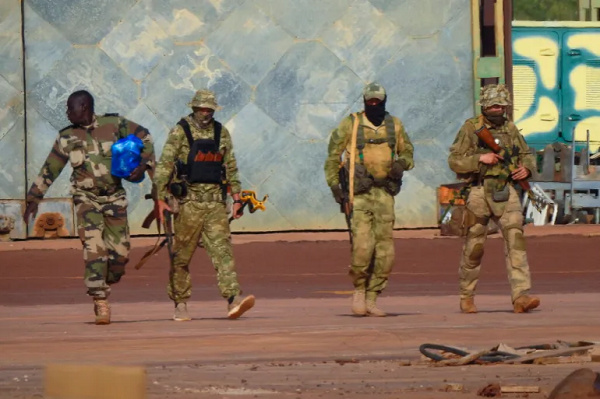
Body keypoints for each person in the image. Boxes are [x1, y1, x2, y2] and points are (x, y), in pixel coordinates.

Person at [23, 90, 155, 325]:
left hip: (115, 198)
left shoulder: (114, 124)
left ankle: (107, 279)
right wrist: (34, 197)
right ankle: (99, 300)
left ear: (83, 107)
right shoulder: (67, 137)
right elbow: (50, 169)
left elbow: (145, 137)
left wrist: (144, 164)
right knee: (94, 248)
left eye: (69, 108)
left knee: (120, 255)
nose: (67, 113)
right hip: (86, 199)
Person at [153, 89, 255, 321]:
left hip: (215, 204)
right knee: (181, 256)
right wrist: (160, 199)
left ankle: (233, 299)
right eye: (201, 109)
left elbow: (230, 166)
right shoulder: (180, 131)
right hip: (189, 204)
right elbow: (165, 165)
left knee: (223, 252)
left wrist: (238, 199)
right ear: (194, 108)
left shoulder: (221, 133)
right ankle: (180, 304)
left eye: (209, 109)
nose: (205, 113)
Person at [448, 83, 540, 314]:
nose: (498, 109)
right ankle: (466, 296)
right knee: (474, 247)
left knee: (516, 243)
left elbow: (527, 155)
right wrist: (481, 159)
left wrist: (526, 170)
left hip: (506, 191)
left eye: (501, 105)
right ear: (485, 106)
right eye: (493, 105)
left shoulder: (510, 128)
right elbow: (454, 160)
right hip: (479, 192)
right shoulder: (471, 128)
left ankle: (521, 296)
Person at [324, 82, 414, 317]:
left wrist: (401, 164)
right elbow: (333, 156)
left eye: (377, 100)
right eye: (370, 101)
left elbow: (408, 152)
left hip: (384, 194)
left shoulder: (394, 125)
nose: (374, 104)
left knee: (386, 252)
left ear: (384, 100)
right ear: (364, 101)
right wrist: (335, 187)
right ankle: (359, 290)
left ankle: (373, 297)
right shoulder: (351, 124)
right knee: (363, 247)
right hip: (359, 195)